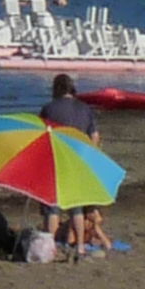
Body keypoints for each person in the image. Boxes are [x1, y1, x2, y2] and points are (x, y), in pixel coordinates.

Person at [39, 74, 98, 252]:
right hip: (78, 161)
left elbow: (42, 135)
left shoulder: (49, 109)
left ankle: (52, 247)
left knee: (53, 207)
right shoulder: (85, 109)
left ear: (56, 89)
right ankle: (80, 246)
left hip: (56, 160)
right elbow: (94, 136)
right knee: (76, 207)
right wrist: (88, 154)